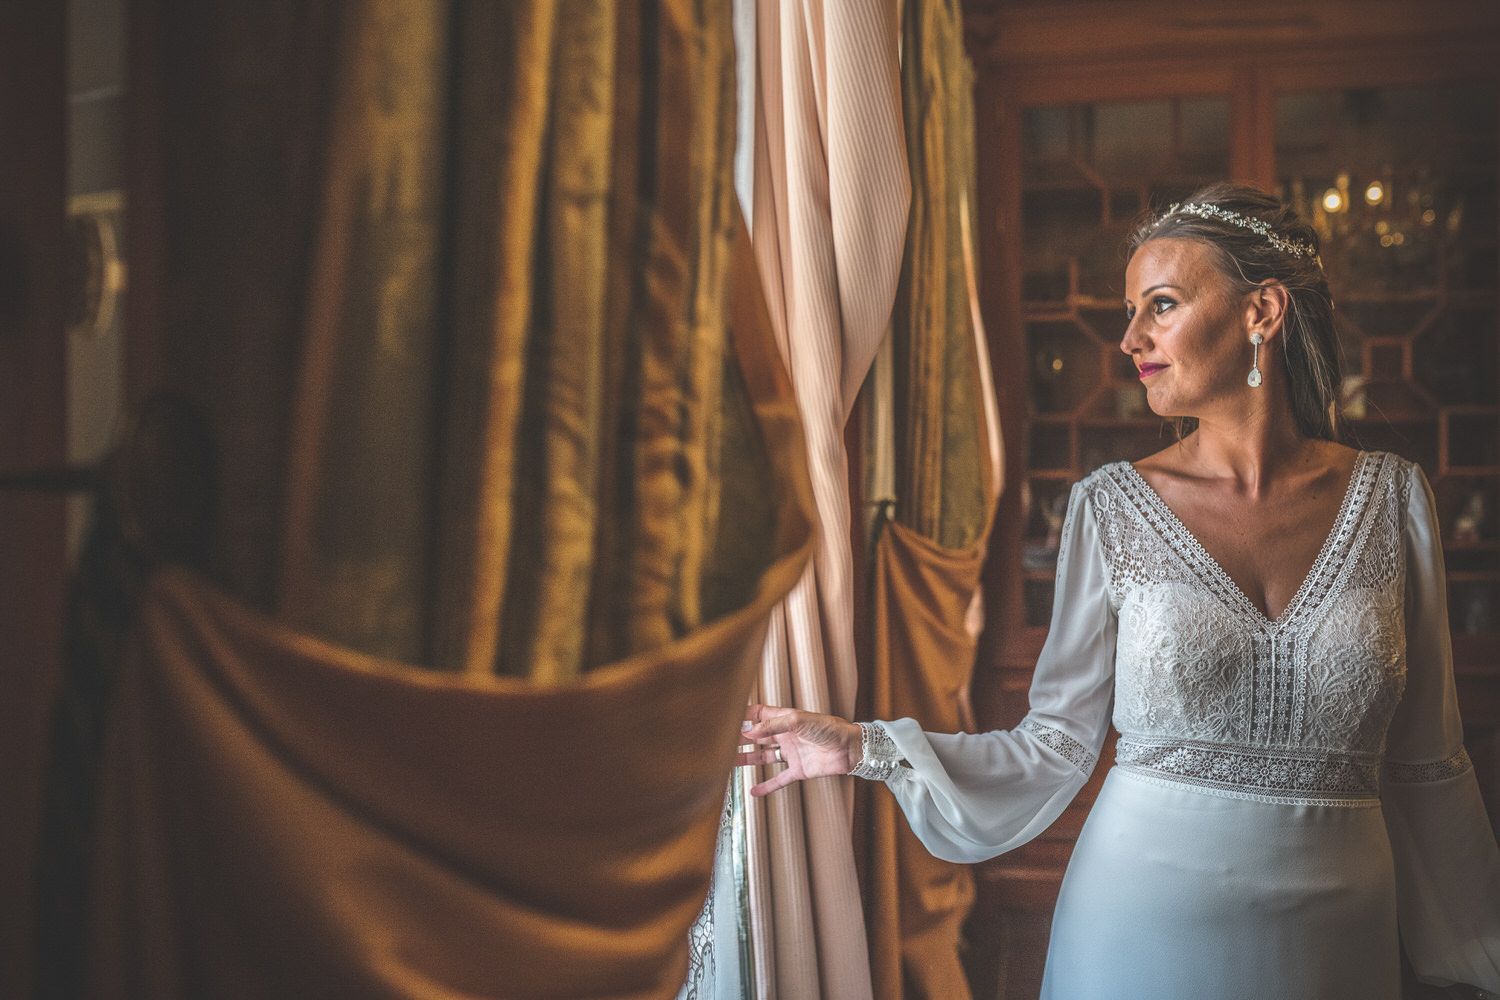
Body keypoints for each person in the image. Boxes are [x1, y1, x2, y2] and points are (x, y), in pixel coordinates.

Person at [737, 183, 1500, 1000]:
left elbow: (1429, 761)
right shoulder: (1112, 506)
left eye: (1161, 305)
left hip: (1340, 938)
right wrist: (866, 749)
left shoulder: (1392, 499)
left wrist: (1477, 959)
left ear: (1263, 311)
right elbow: (1056, 744)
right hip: (1139, 922)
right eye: (1131, 309)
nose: (1129, 337)